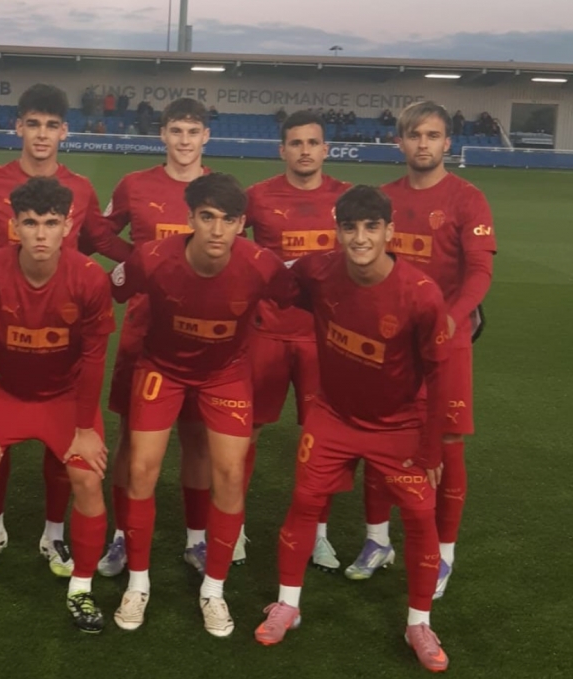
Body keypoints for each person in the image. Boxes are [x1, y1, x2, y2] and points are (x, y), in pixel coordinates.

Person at [0, 83, 131, 577]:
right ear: (19, 126)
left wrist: (163, 265)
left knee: (61, 448)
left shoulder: (80, 189)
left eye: (51, 125)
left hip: (61, 330)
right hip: (5, 329)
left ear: (64, 131)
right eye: (33, 123)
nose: (41, 134)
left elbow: (103, 239)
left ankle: (54, 533)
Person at [254, 185, 452, 672]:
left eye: (370, 228)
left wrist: (431, 450)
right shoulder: (318, 269)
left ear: (389, 232)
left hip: (399, 426)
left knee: (421, 518)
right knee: (303, 501)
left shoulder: (421, 295)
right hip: (334, 416)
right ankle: (287, 604)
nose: (359, 238)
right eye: (350, 227)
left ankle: (419, 623)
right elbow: (275, 282)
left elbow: (440, 376)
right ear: (337, 230)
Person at [110, 173, 288, 637]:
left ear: (242, 225)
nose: (216, 230)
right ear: (188, 219)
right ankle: (138, 582)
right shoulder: (151, 258)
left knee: (229, 472)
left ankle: (214, 588)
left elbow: (309, 296)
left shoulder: (261, 265)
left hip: (225, 374)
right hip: (160, 368)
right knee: (143, 468)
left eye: (228, 220)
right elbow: (112, 289)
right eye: (206, 217)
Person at [0, 177, 114, 633]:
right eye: (30, 223)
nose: (39, 234)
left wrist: (86, 428)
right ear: (14, 225)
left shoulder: (90, 278)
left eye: (50, 223)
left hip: (65, 396)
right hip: (5, 391)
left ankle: (82, 590)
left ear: (67, 225)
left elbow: (94, 359)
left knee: (87, 479)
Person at [349, 101, 495, 599]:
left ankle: (445, 555)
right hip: (388, 343)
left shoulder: (467, 199)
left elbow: (479, 272)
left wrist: (451, 320)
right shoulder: (382, 198)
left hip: (446, 343)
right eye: (414, 135)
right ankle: (376, 541)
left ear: (447, 143)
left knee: (448, 445)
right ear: (400, 142)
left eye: (433, 135)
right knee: (377, 439)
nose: (424, 144)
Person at [97, 97, 214, 578]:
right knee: (131, 438)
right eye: (176, 131)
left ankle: (197, 539)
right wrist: (141, 262)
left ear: (206, 136)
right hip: (144, 331)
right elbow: (99, 234)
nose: (184, 140)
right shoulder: (135, 185)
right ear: (162, 135)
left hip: (203, 333)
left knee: (197, 439)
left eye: (193, 131)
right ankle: (123, 535)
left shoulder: (219, 190)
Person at [244, 110, 351, 571]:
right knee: (245, 432)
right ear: (282, 150)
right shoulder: (257, 197)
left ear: (326, 150)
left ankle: (318, 534)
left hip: (325, 341)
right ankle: (236, 528)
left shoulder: (347, 198)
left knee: (324, 437)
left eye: (313, 143)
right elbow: (228, 246)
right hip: (266, 333)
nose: (305, 150)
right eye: (296, 143)